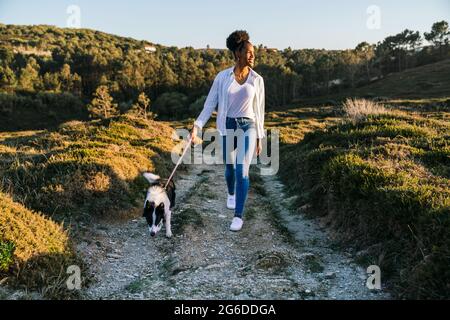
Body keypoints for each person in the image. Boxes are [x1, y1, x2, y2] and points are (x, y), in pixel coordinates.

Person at [189, 30, 265, 232]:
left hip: (248, 126)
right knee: (230, 168)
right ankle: (231, 193)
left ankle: (238, 216)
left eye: (253, 52)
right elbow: (209, 105)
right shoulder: (222, 78)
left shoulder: (257, 79)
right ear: (237, 54)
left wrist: (259, 137)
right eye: (248, 52)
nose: (252, 56)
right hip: (227, 126)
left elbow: (260, 111)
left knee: (242, 169)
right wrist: (197, 127)